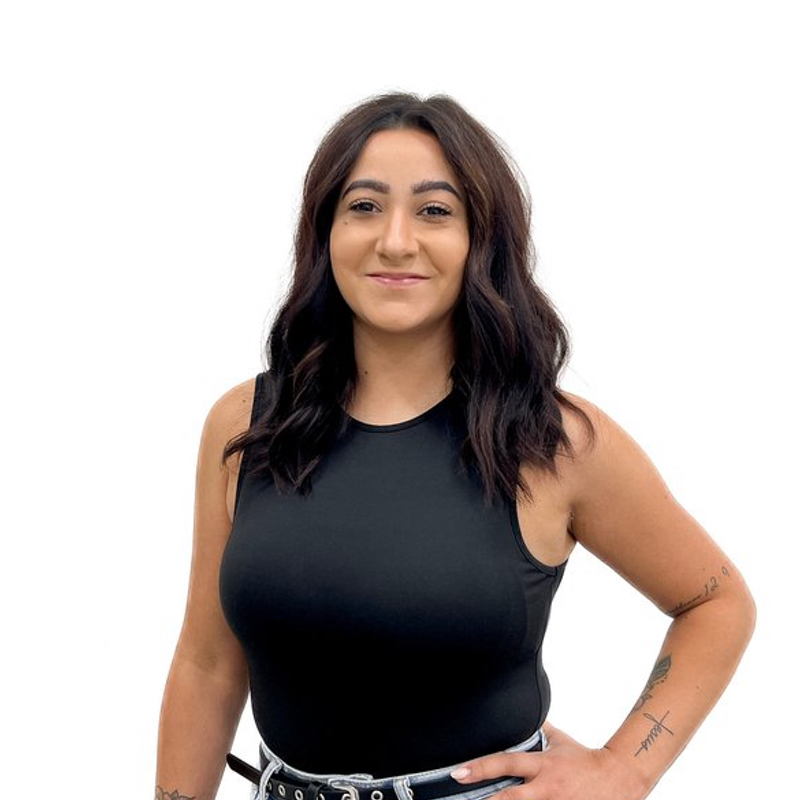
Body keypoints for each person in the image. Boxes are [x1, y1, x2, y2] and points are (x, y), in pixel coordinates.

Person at [155, 92, 755, 800]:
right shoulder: (246, 425)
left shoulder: (552, 442)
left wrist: (627, 768)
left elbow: (716, 602)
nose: (397, 241)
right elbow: (207, 663)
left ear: (481, 239)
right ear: (324, 233)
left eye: (435, 211)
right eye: (365, 206)